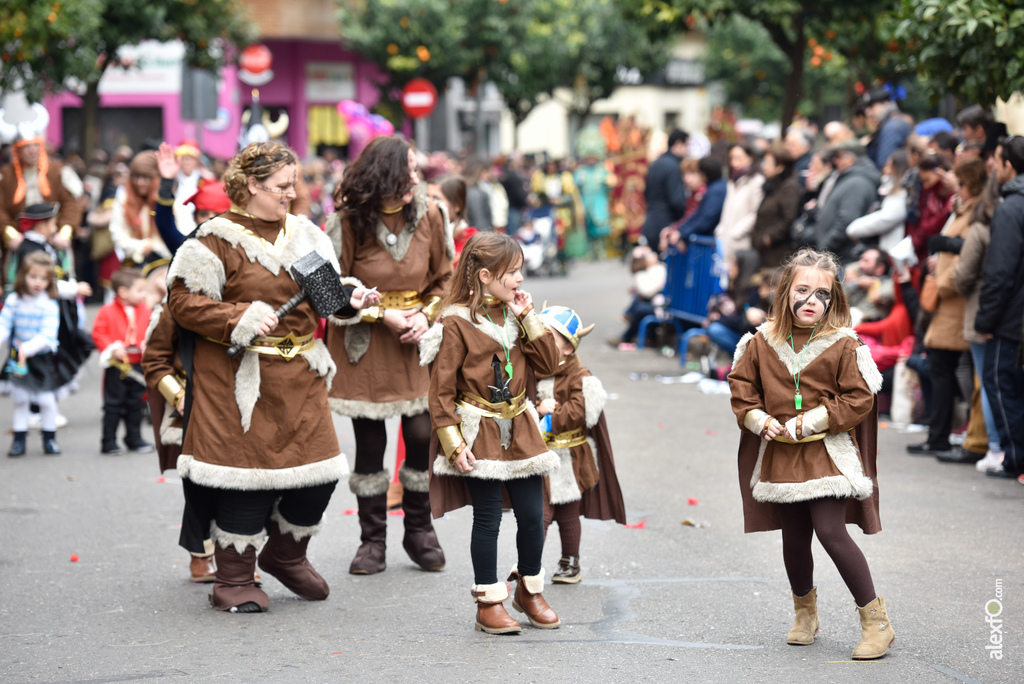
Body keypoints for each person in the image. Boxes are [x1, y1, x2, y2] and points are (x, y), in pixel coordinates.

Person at [166, 140, 379, 613]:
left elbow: (326, 297)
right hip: (241, 381)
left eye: (293, 184)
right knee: (248, 480)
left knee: (319, 474)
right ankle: (235, 580)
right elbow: (181, 302)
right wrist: (238, 316)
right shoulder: (212, 239)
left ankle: (286, 555)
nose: (291, 193)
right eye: (281, 185)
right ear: (250, 186)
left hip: (302, 374)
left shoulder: (304, 234)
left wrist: (351, 301)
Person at [728, 247, 895, 660]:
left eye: (822, 293)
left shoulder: (843, 343)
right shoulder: (759, 342)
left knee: (830, 531)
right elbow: (742, 390)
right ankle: (805, 614)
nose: (811, 301)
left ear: (833, 297)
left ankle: (877, 622)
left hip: (828, 453)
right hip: (780, 454)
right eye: (802, 290)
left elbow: (860, 398)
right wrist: (760, 420)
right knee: (795, 538)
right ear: (786, 291)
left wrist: (812, 422)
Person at [418, 232, 562, 634]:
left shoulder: (515, 313)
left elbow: (549, 362)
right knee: (488, 519)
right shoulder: (455, 321)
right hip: (477, 428)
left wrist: (528, 317)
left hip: (521, 428)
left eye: (519, 271)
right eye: (511, 272)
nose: (519, 279)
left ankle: (529, 590)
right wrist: (453, 442)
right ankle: (488, 602)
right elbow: (441, 390)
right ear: (484, 275)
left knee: (534, 516)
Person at [325, 136, 452, 576]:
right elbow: (328, 288)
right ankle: (371, 541)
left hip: (416, 339)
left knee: (420, 434)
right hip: (366, 342)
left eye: (417, 170)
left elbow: (445, 279)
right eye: (409, 172)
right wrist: (381, 315)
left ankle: (419, 532)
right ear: (384, 177)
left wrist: (425, 316)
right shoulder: (345, 221)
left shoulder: (432, 214)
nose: (416, 179)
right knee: (371, 440)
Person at [532, 305, 626, 583]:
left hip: (571, 457)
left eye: (550, 337)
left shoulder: (579, 376)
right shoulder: (533, 369)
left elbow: (581, 410)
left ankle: (570, 563)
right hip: (542, 455)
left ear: (568, 348)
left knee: (568, 515)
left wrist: (550, 415)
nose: (541, 342)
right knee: (541, 513)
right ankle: (530, 566)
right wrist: (537, 408)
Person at [908, 159, 986, 459]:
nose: (958, 188)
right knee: (943, 368)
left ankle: (942, 435)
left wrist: (940, 283)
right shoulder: (964, 210)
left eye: (962, 184)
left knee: (945, 368)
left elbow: (965, 262)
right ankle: (939, 434)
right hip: (948, 301)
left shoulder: (974, 212)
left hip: (953, 301)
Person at [974, 136, 1024, 480]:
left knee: (1000, 382)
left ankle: (1015, 457)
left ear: (1009, 165)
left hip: (1010, 318)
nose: (992, 166)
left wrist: (985, 318)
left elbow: (1000, 270)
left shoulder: (1010, 207)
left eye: (997, 159)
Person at [953, 175, 1004, 472]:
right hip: (1004, 313)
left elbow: (964, 274)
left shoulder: (982, 228)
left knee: (987, 381)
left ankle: (994, 447)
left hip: (980, 311)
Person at [0, 252, 62, 456]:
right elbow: (4, 325)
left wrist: (27, 348)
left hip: (40, 358)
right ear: (22, 276)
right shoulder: (14, 301)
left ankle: (49, 438)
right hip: (19, 359)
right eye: (33, 276)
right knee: (20, 399)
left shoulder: (49, 304)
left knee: (46, 400)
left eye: (44, 278)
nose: (38, 282)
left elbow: (47, 335)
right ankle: (19, 440)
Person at [91, 268, 153, 455]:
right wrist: (112, 347)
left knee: (136, 404)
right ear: (123, 292)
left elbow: (153, 331)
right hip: (117, 365)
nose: (144, 294)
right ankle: (108, 440)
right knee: (113, 405)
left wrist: (148, 344)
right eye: (140, 290)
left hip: (138, 364)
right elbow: (98, 333)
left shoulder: (147, 310)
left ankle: (133, 438)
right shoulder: (107, 311)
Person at [815, 141, 880, 263]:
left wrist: (825, 247)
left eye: (838, 157)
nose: (835, 161)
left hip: (842, 257)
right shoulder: (851, 178)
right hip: (837, 255)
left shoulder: (857, 182)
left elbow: (847, 220)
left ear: (850, 158)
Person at [715, 142, 765, 292]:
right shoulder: (732, 181)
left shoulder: (756, 181)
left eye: (739, 158)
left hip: (742, 242)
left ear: (750, 158)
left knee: (739, 284)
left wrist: (737, 231)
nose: (734, 163)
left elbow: (755, 212)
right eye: (732, 158)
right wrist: (721, 229)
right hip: (725, 240)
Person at [846, 150, 910, 253]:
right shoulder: (887, 188)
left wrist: (853, 229)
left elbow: (885, 218)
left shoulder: (900, 195)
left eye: (889, 166)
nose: (884, 169)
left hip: (890, 250)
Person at [750, 143, 801, 271]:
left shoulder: (789, 187)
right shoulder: (771, 185)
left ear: (780, 166)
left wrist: (769, 238)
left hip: (777, 254)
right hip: (763, 251)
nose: (764, 166)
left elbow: (789, 218)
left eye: (768, 162)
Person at [659, 157, 727, 251]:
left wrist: (680, 232)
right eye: (684, 174)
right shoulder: (695, 192)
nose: (687, 178)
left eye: (692, 173)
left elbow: (702, 218)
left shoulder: (706, 191)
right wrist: (675, 230)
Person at [641, 129, 689, 247]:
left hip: (651, 219)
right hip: (666, 222)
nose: (688, 150)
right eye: (687, 145)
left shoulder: (656, 163)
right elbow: (676, 200)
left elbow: (646, 193)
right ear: (678, 144)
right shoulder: (674, 166)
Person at [616, 245, 667, 349]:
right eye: (649, 255)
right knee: (639, 304)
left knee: (640, 307)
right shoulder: (649, 271)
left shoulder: (658, 269)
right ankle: (634, 335)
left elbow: (647, 291)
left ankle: (628, 335)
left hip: (661, 306)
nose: (654, 255)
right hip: (656, 303)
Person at [862, 87, 912, 171]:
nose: (867, 112)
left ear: (885, 103)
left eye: (871, 106)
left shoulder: (891, 127)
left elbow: (883, 164)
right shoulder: (893, 121)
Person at [845, 249, 895, 324]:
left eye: (866, 261)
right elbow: (837, 303)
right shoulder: (857, 283)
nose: (860, 264)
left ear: (879, 268)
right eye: (860, 259)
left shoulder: (889, 284)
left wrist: (874, 284)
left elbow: (879, 296)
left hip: (866, 329)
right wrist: (855, 285)